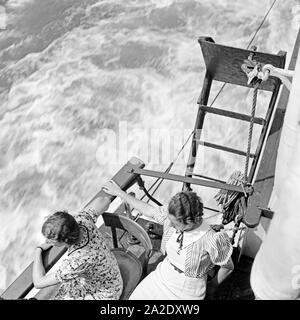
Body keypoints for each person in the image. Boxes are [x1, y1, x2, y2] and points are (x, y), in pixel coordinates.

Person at [102, 180, 234, 300]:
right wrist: (120, 193)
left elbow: (227, 266)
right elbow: (150, 210)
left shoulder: (213, 239)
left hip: (188, 290)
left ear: (189, 222)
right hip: (162, 276)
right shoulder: (173, 216)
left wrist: (212, 287)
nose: (169, 224)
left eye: (175, 223)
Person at [32, 194, 123, 300]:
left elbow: (38, 282)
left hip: (107, 293)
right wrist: (111, 194)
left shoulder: (77, 261)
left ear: (65, 241)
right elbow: (104, 200)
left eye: (51, 240)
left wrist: (38, 251)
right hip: (111, 275)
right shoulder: (82, 221)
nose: (47, 242)